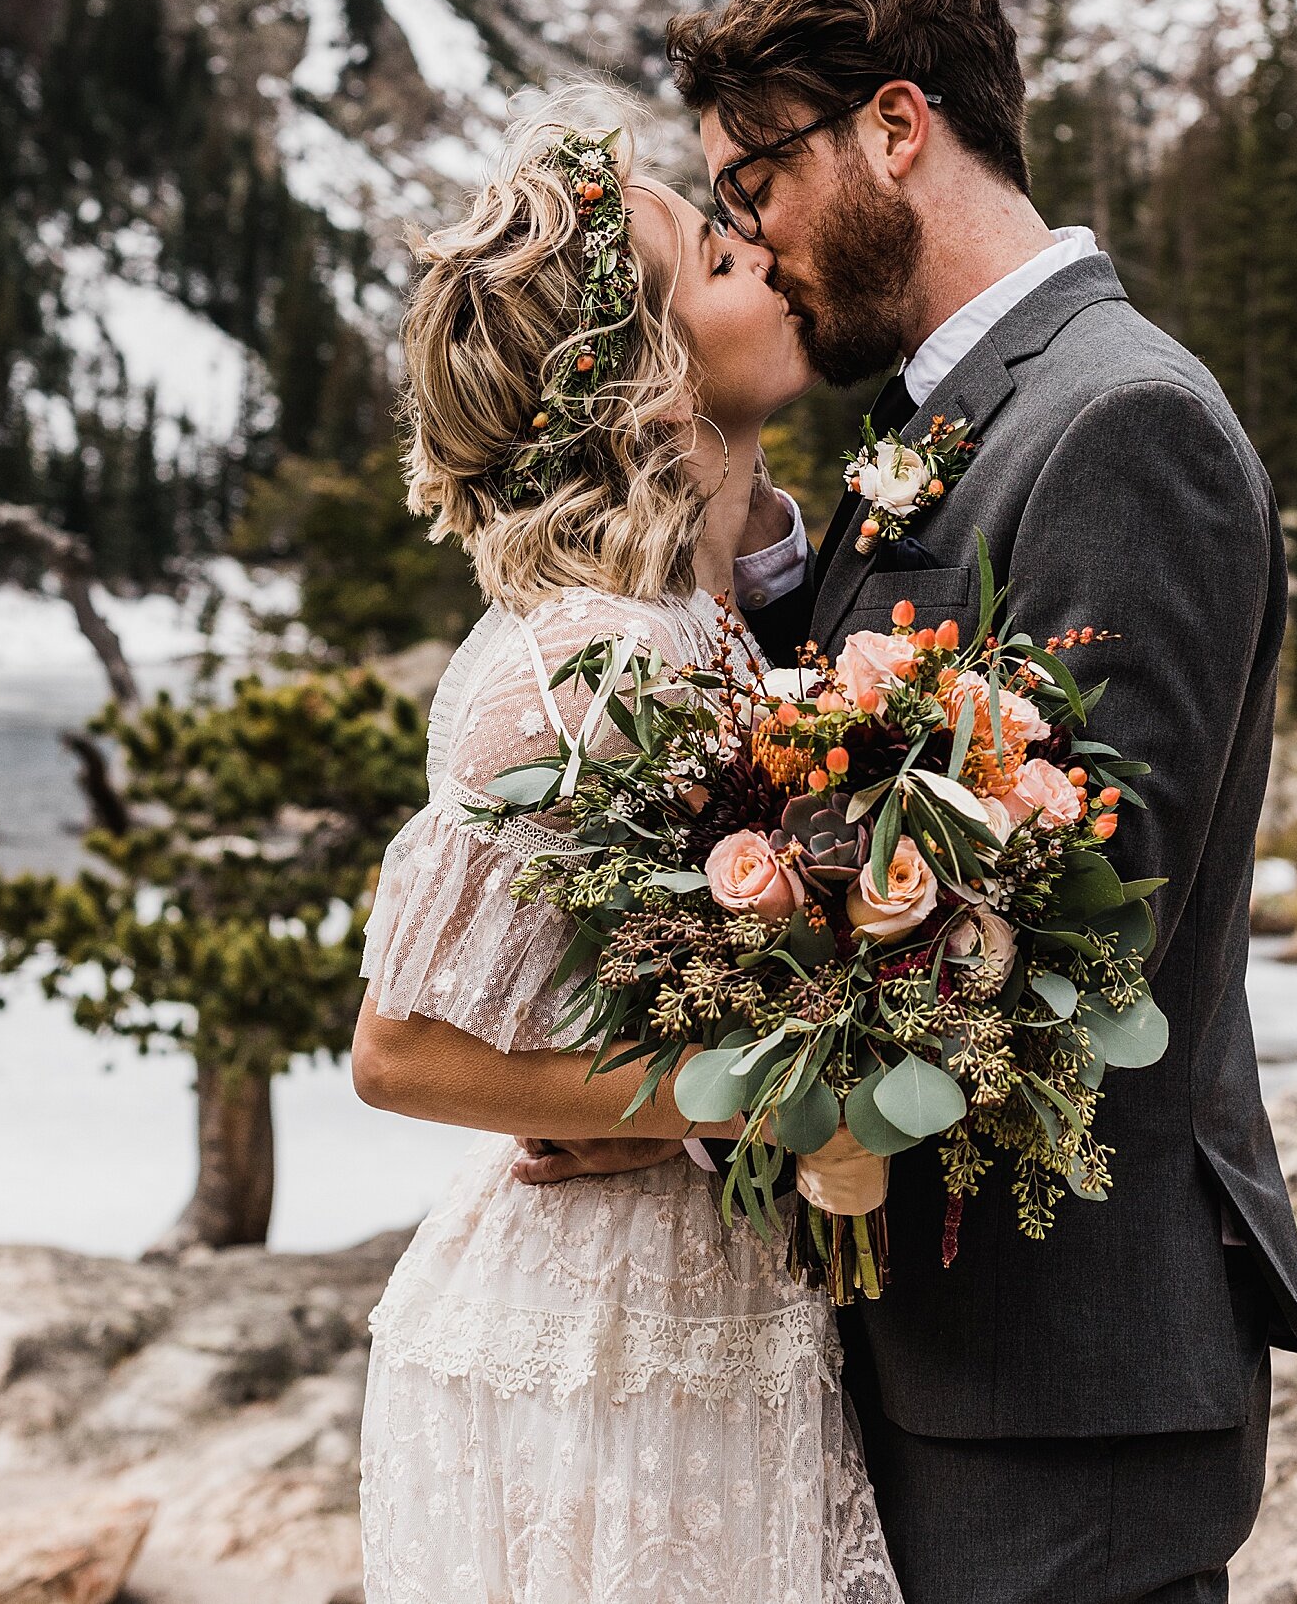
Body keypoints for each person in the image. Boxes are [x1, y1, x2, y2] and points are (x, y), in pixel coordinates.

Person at [533, 0, 1297, 1604]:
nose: (747, 236)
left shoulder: (1126, 424)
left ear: (895, 128)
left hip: (1061, 1388)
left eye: (753, 178)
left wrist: (685, 1113)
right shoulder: (958, 413)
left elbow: (1054, 938)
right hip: (943, 1362)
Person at [350, 96, 903, 1604]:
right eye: (716, 257)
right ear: (649, 389)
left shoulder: (711, 614)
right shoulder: (585, 659)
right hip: (603, 1336)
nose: (761, 256)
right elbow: (397, 1050)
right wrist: (745, 1101)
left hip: (709, 1295)